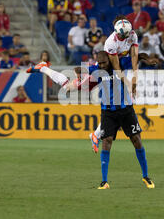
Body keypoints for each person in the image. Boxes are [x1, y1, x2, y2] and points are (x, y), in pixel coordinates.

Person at [27, 51, 155, 190]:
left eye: (103, 63)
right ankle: (104, 180)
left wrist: (147, 59)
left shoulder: (119, 63)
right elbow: (79, 69)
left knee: (136, 140)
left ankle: (145, 176)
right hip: (107, 108)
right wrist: (79, 74)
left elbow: (138, 55)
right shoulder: (96, 69)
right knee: (68, 88)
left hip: (125, 109)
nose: (101, 66)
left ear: (109, 59)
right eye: (99, 63)